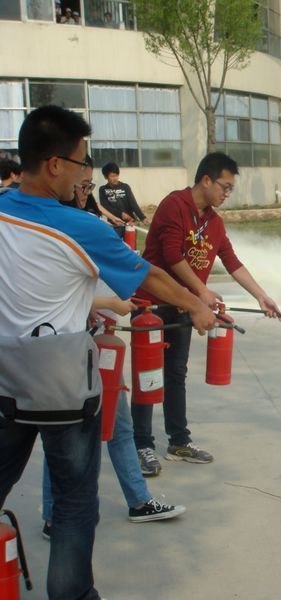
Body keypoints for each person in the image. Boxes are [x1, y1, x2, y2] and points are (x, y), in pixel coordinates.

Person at [0, 105, 215, 600]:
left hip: (5, 384)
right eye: (81, 162)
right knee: (76, 502)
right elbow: (150, 277)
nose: (85, 173)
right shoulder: (81, 226)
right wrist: (198, 306)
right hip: (60, 389)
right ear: (55, 164)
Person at [132, 152, 280, 476]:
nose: (227, 194)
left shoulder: (214, 222)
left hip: (184, 304)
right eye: (225, 187)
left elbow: (231, 261)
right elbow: (171, 256)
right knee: (148, 374)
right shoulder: (175, 205)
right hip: (151, 304)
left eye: (230, 189)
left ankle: (178, 441)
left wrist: (261, 296)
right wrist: (201, 292)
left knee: (175, 373)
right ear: (206, 180)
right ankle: (141, 444)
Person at [41, 295, 186, 539]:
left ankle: (140, 503)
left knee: (121, 429)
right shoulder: (80, 256)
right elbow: (57, 295)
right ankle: (54, 516)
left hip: (101, 345)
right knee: (63, 435)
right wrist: (107, 303)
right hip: (72, 350)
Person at [98, 161, 149, 237]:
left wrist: (142, 217)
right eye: (112, 176)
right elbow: (105, 206)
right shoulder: (102, 189)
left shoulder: (125, 187)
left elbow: (133, 203)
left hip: (129, 224)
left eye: (116, 175)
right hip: (114, 226)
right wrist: (120, 213)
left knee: (131, 247)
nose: (115, 178)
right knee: (116, 247)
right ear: (106, 177)